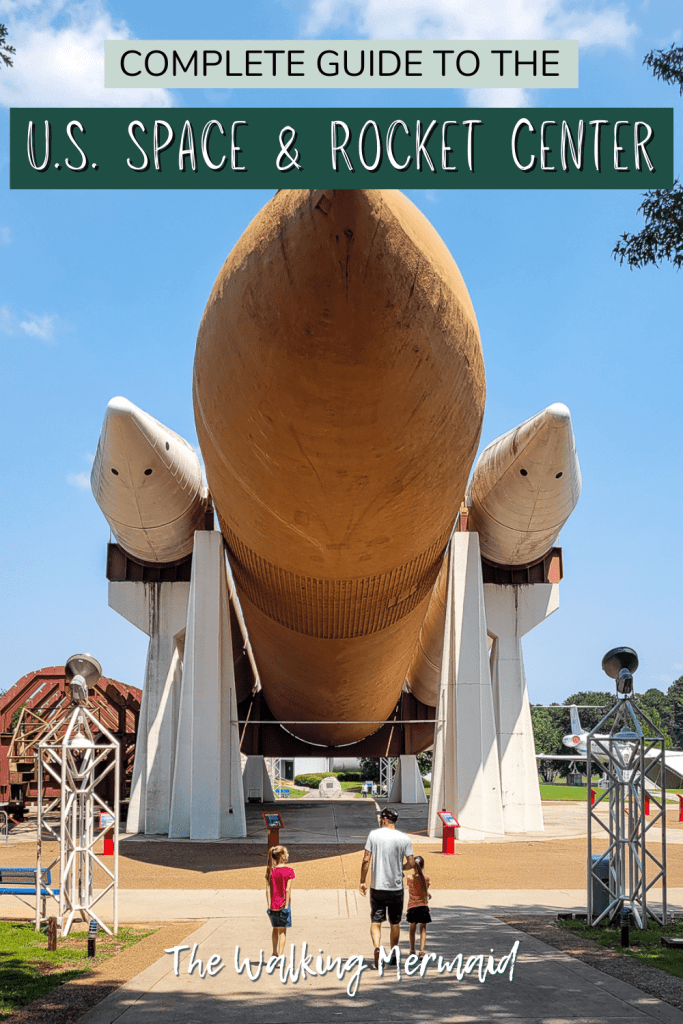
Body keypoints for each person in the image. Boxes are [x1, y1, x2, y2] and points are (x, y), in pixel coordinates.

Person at [359, 807, 415, 967]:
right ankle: (394, 953)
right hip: (396, 887)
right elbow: (411, 862)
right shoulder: (404, 838)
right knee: (394, 922)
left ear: (384, 819)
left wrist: (362, 880)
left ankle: (377, 948)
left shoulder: (373, 835)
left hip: (378, 886)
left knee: (376, 921)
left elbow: (365, 860)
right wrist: (401, 868)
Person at [266, 845, 294, 955]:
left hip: (273, 904)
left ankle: (274, 952)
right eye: (286, 853)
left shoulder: (271, 871)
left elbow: (268, 890)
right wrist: (286, 906)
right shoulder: (289, 871)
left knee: (275, 928)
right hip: (283, 904)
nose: (288, 855)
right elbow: (287, 890)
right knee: (282, 931)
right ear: (282, 856)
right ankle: (280, 955)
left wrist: (269, 906)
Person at [406, 855, 432, 955]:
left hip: (412, 906)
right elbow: (425, 889)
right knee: (423, 929)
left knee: (412, 929)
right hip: (423, 906)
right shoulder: (426, 879)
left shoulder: (409, 878)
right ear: (423, 866)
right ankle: (421, 950)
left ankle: (412, 950)